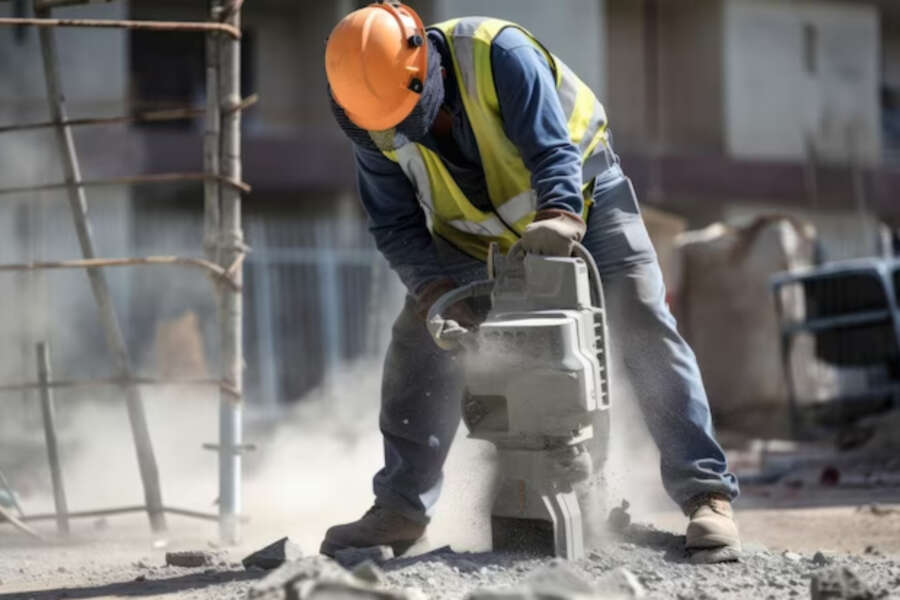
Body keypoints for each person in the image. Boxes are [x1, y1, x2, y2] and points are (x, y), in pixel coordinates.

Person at [320, 1, 741, 561]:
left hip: (586, 197)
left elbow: (552, 150)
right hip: (469, 237)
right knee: (419, 345)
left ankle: (706, 495)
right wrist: (434, 293)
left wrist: (560, 215)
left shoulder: (497, 55)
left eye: (407, 112)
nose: (398, 128)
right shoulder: (370, 119)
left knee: (642, 318)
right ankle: (401, 508)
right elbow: (395, 226)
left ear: (428, 68)